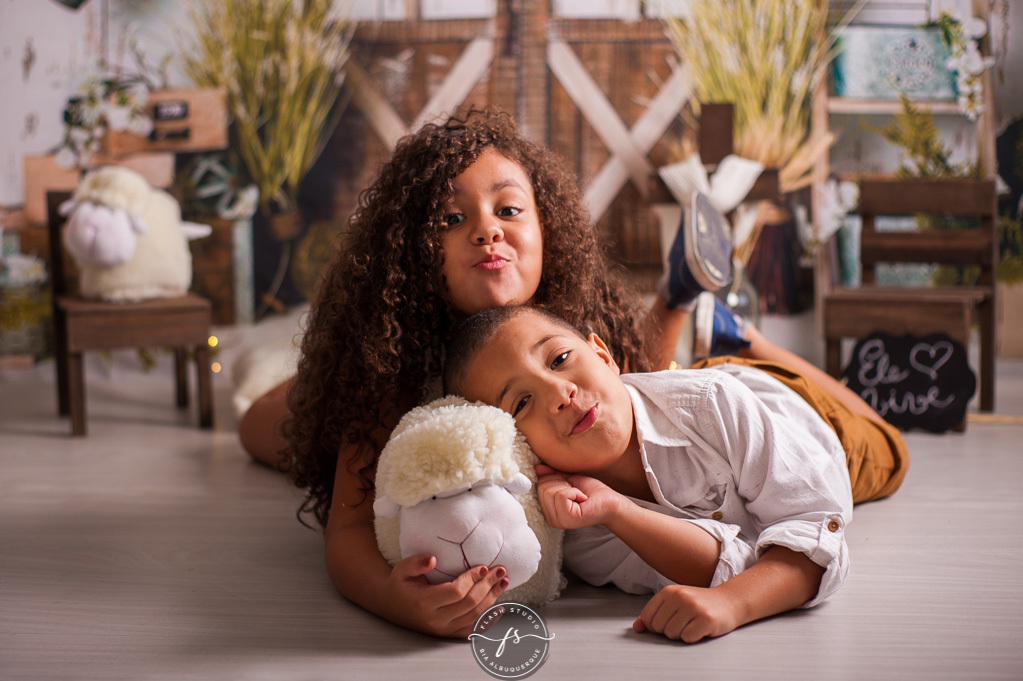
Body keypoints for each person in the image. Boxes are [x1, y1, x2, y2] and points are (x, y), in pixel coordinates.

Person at [443, 304, 909, 643]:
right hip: (708, 409)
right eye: (521, 403)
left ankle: (749, 339)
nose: (560, 393)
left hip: (795, 415)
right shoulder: (582, 529)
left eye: (559, 359)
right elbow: (732, 564)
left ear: (603, 354)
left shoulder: (713, 402)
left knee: (895, 449)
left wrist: (733, 605)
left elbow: (819, 530)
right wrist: (619, 512)